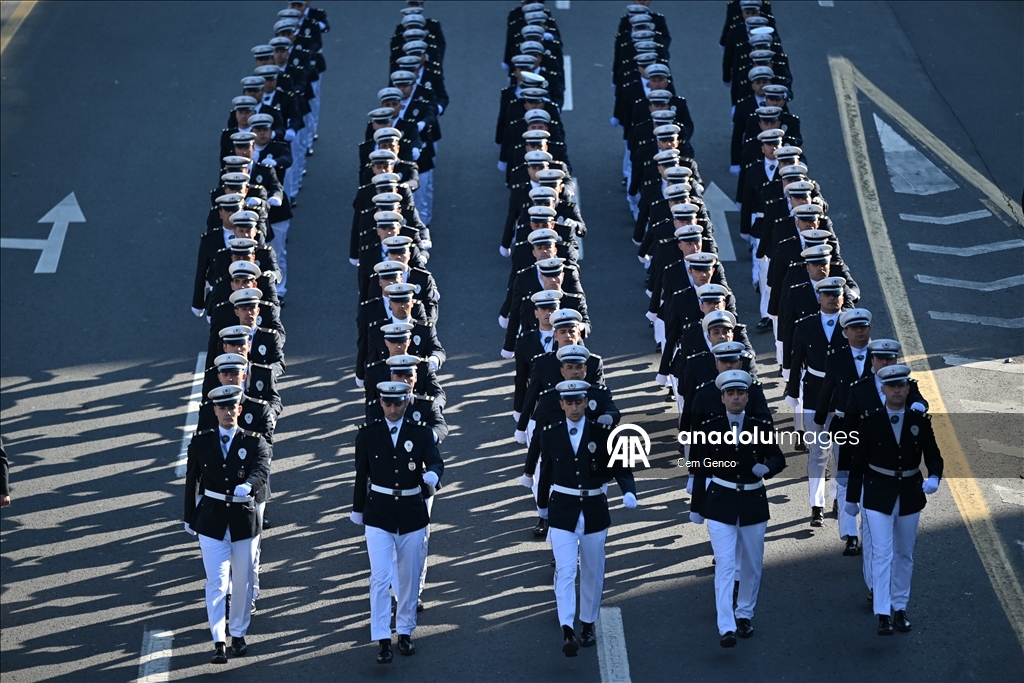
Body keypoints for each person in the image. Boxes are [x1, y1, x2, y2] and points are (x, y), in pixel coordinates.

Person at [535, 380, 637, 656]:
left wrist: (628, 491)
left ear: (586, 403)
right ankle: (567, 627)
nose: (574, 407)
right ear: (562, 405)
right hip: (562, 509)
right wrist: (542, 507)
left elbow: (622, 467)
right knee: (566, 570)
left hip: (593, 508)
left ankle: (588, 622)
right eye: (568, 402)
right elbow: (546, 471)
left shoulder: (603, 433)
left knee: (592, 569)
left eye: (578, 402)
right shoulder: (552, 433)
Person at [689, 370, 785, 647]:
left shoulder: (760, 425)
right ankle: (726, 625)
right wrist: (697, 507)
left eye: (740, 393)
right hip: (720, 501)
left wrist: (767, 468)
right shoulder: (709, 427)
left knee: (752, 564)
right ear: (722, 398)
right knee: (726, 564)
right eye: (730, 393)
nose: (735, 397)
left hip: (753, 501)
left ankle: (745, 614)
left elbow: (777, 456)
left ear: (746, 396)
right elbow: (699, 466)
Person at [845, 364, 943, 636]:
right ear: (884, 390)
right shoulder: (870, 421)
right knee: (882, 553)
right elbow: (857, 462)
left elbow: (933, 454)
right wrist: (852, 500)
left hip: (910, 492)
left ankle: (900, 608)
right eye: (892, 386)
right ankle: (883, 613)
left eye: (901, 386)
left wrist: (934, 476)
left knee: (904, 554)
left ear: (908, 388)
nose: (897, 390)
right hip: (877, 493)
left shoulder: (919, 421)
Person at [350, 381, 444, 664]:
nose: (392, 409)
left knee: (409, 576)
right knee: (379, 577)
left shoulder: (421, 433)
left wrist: (433, 476)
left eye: (398, 404)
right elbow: (360, 475)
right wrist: (358, 510)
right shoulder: (368, 434)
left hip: (411, 511)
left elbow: (436, 462)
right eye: (388, 404)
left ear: (407, 402)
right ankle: (381, 637)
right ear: (381, 403)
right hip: (378, 512)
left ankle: (404, 631)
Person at [183, 385, 271, 664]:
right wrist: (189, 516)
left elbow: (262, 469)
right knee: (217, 582)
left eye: (232, 407)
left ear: (239, 410)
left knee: (243, 582)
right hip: (211, 520)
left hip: (243, 520)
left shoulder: (253, 441)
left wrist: (249, 485)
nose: (227, 412)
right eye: (222, 407)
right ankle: (219, 640)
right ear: (214, 411)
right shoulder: (201, 442)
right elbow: (192, 481)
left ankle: (239, 633)